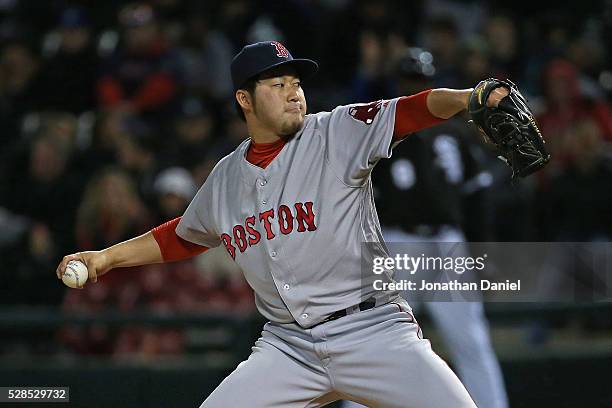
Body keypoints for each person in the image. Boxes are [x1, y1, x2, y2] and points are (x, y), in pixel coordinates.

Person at [56, 41, 509, 407]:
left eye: (296, 82)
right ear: (244, 99)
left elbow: (413, 108)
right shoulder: (227, 176)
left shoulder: (335, 131)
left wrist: (469, 99)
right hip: (288, 348)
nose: (294, 92)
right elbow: (182, 236)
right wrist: (107, 258)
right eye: (277, 84)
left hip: (374, 331)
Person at [342, 48, 508, 408]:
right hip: (396, 245)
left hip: (447, 244)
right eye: (408, 82)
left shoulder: (455, 136)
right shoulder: (378, 137)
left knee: (472, 342)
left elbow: (477, 200)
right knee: (375, 344)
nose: (414, 89)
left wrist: (485, 253)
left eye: (420, 82)